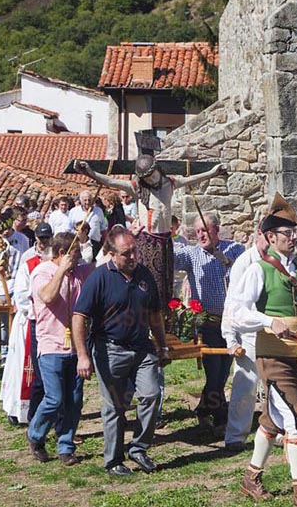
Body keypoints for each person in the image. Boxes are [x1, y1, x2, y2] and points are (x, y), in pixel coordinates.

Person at [230, 194, 297, 507]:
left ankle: (251, 478)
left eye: (294, 233)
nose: (294, 237)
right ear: (271, 238)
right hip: (272, 357)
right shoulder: (259, 270)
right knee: (296, 418)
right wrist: (268, 320)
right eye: (288, 233)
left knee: (273, 420)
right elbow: (237, 312)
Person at [71, 226, 168, 476]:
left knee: (151, 395)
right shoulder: (99, 278)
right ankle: (113, 460)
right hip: (110, 350)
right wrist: (83, 355)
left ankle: (139, 448)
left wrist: (162, 345)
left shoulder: (145, 275)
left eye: (135, 251)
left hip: (142, 349)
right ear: (112, 254)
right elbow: (79, 317)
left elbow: (155, 315)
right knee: (114, 407)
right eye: (127, 254)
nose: (134, 257)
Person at [74, 154, 225, 313]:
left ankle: (165, 320)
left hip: (166, 241)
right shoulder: (138, 187)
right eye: (146, 177)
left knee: (166, 282)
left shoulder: (169, 183)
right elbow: (110, 181)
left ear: (157, 170)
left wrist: (213, 173)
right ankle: (148, 317)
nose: (150, 180)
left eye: (151, 175)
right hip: (148, 242)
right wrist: (89, 172)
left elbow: (191, 180)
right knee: (150, 282)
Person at [28, 232, 95, 465]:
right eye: (75, 254)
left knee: (74, 401)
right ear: (61, 254)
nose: (79, 259)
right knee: (54, 399)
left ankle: (66, 446)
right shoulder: (42, 272)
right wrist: (60, 271)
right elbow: (47, 296)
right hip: (50, 346)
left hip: (75, 347)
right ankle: (35, 435)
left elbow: (103, 263)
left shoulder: (79, 272)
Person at [174, 212, 244, 430]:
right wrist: (165, 234)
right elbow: (172, 257)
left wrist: (226, 261)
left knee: (224, 371)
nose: (201, 235)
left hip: (230, 322)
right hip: (208, 323)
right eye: (197, 232)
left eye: (205, 230)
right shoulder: (192, 255)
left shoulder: (234, 249)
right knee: (214, 371)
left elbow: (246, 269)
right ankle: (220, 416)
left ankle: (204, 410)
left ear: (216, 230)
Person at [221, 229, 268, 452]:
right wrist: (230, 339)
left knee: (276, 385)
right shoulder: (245, 261)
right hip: (249, 332)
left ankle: (275, 431)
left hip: (275, 331)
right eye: (268, 236)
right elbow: (232, 302)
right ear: (259, 234)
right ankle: (235, 437)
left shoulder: (283, 260)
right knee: (245, 386)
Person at [0, 228, 48, 426]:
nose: (44, 241)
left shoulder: (53, 260)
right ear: (36, 238)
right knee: (23, 366)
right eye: (41, 238)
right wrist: (36, 311)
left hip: (49, 322)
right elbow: (21, 294)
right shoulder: (28, 261)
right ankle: (19, 410)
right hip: (30, 321)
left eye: (48, 237)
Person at [69, 189, 108, 258]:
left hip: (95, 245)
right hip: (78, 244)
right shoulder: (74, 211)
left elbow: (103, 230)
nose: (87, 202)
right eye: (85, 200)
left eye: (89, 200)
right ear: (80, 201)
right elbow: (69, 229)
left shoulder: (99, 211)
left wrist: (105, 245)